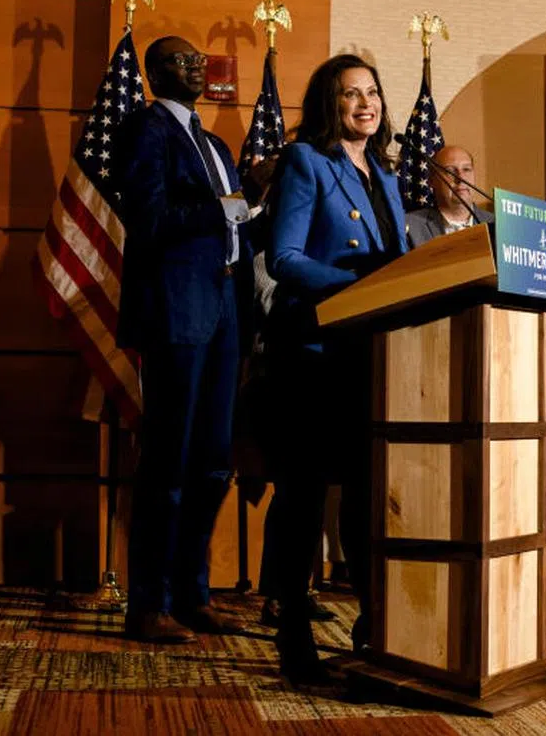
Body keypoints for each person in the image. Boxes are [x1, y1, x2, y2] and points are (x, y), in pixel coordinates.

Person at [115, 36, 265, 643]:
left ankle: (192, 594)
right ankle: (147, 604)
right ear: (154, 73)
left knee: (211, 463)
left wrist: (249, 203)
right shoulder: (147, 131)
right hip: (178, 310)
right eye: (183, 60)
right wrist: (233, 201)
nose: (198, 67)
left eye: (202, 60)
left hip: (225, 307)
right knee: (169, 461)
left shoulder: (215, 144)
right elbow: (150, 222)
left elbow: (232, 223)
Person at [266, 54, 407, 680]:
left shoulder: (386, 174)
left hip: (371, 358)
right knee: (302, 498)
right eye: (351, 94)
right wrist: (356, 286)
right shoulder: (307, 162)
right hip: (313, 356)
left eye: (372, 93)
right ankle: (292, 632)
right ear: (331, 104)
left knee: (366, 498)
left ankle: (375, 624)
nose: (365, 104)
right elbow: (284, 258)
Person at [406, 145, 493, 249]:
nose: (461, 178)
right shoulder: (410, 227)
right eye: (450, 171)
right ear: (431, 180)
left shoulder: (496, 225)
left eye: (466, 169)